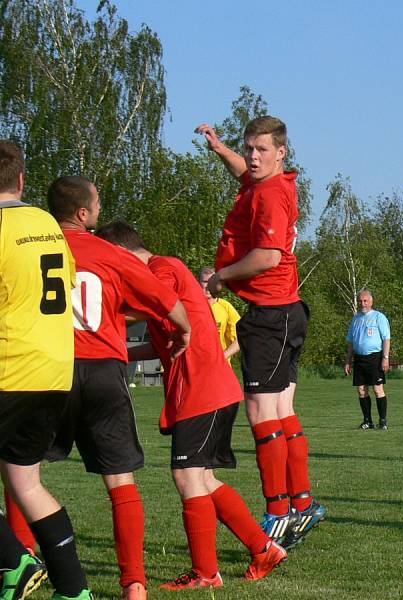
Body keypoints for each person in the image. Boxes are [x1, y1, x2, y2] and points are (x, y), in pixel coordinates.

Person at [96, 221, 287, 591]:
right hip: (206, 388)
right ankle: (263, 549)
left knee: (187, 477)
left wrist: (103, 312)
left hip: (203, 388)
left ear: (121, 253)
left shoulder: (162, 268)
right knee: (203, 479)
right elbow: (161, 337)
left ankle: (206, 573)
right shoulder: (162, 271)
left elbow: (157, 305)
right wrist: (120, 352)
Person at [40, 175, 192, 600]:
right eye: (98, 202)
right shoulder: (107, 252)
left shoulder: (36, 247)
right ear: (84, 214)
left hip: (50, 369)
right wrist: (182, 332)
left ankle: (21, 562)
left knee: (23, 474)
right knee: (119, 480)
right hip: (104, 370)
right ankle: (135, 584)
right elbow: (166, 299)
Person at [195, 117, 326, 549]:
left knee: (260, 412)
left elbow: (268, 256)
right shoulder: (268, 181)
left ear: (281, 152)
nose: (252, 156)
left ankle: (277, 513)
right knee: (283, 409)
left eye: (261, 150)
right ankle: (302, 504)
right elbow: (242, 171)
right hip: (284, 310)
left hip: (270, 315)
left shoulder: (269, 194)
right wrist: (219, 148)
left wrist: (221, 277)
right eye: (248, 148)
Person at [0, 140, 93, 600]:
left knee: (24, 481)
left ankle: (15, 560)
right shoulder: (44, 223)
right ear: (21, 180)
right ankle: (74, 590)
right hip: (55, 371)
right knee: (25, 482)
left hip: (9, 370)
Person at [344, 289, 391, 430]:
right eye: (360, 301)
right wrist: (348, 361)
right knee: (362, 390)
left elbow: (386, 339)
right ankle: (367, 420)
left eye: (365, 301)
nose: (362, 303)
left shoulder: (378, 317)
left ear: (371, 302)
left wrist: (385, 358)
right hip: (359, 358)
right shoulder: (356, 319)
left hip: (375, 357)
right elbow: (351, 342)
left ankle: (382, 421)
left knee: (378, 389)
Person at [198, 267, 241, 363]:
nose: (209, 285)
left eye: (212, 281)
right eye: (205, 281)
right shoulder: (190, 307)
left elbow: (241, 337)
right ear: (198, 283)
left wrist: (222, 357)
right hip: (196, 367)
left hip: (221, 368)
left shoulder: (226, 307)